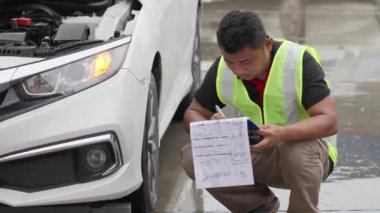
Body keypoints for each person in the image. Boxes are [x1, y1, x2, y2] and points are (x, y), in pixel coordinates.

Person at [181, 10, 338, 213]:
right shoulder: (222, 68)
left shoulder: (298, 61)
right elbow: (192, 113)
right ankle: (259, 207)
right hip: (255, 153)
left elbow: (330, 121)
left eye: (246, 62)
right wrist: (212, 126)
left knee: (293, 149)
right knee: (195, 155)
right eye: (231, 62)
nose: (238, 70)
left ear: (268, 44)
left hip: (308, 159)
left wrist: (280, 134)